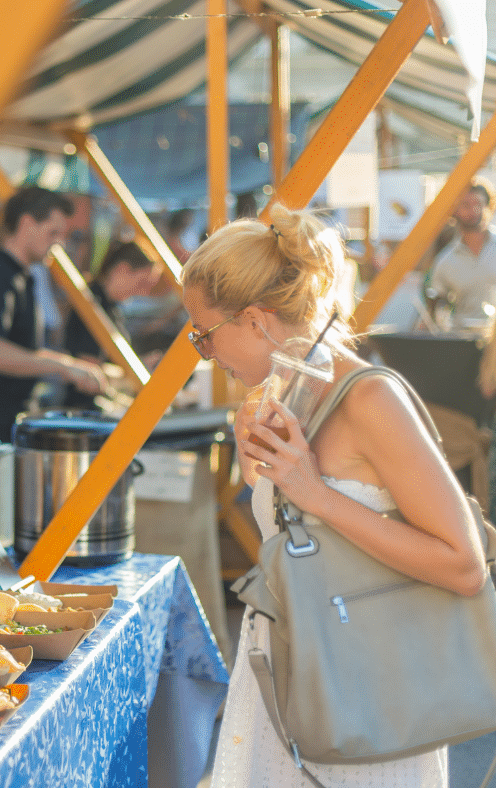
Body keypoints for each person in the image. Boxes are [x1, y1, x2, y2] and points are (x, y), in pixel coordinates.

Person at [181, 204, 487, 787]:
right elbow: (306, 535)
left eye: (204, 334)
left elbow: (464, 564)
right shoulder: (289, 389)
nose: (207, 353)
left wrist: (311, 492)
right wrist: (262, 474)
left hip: (369, 699)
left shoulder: (371, 399)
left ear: (253, 320)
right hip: (294, 680)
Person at [0, 186, 107, 441]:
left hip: (16, 419)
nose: (60, 243)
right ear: (26, 224)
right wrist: (61, 366)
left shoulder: (25, 277)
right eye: (53, 233)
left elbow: (27, 351)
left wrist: (72, 366)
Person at [62, 240, 158, 409]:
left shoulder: (111, 308)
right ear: (122, 269)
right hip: (85, 406)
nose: (143, 292)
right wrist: (136, 371)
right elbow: (87, 365)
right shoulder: (91, 304)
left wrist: (140, 365)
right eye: (142, 283)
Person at [427, 178, 496, 328]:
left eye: (479, 204)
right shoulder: (445, 261)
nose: (474, 210)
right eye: (466, 205)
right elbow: (437, 305)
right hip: (463, 340)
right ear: (454, 211)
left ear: (488, 205)